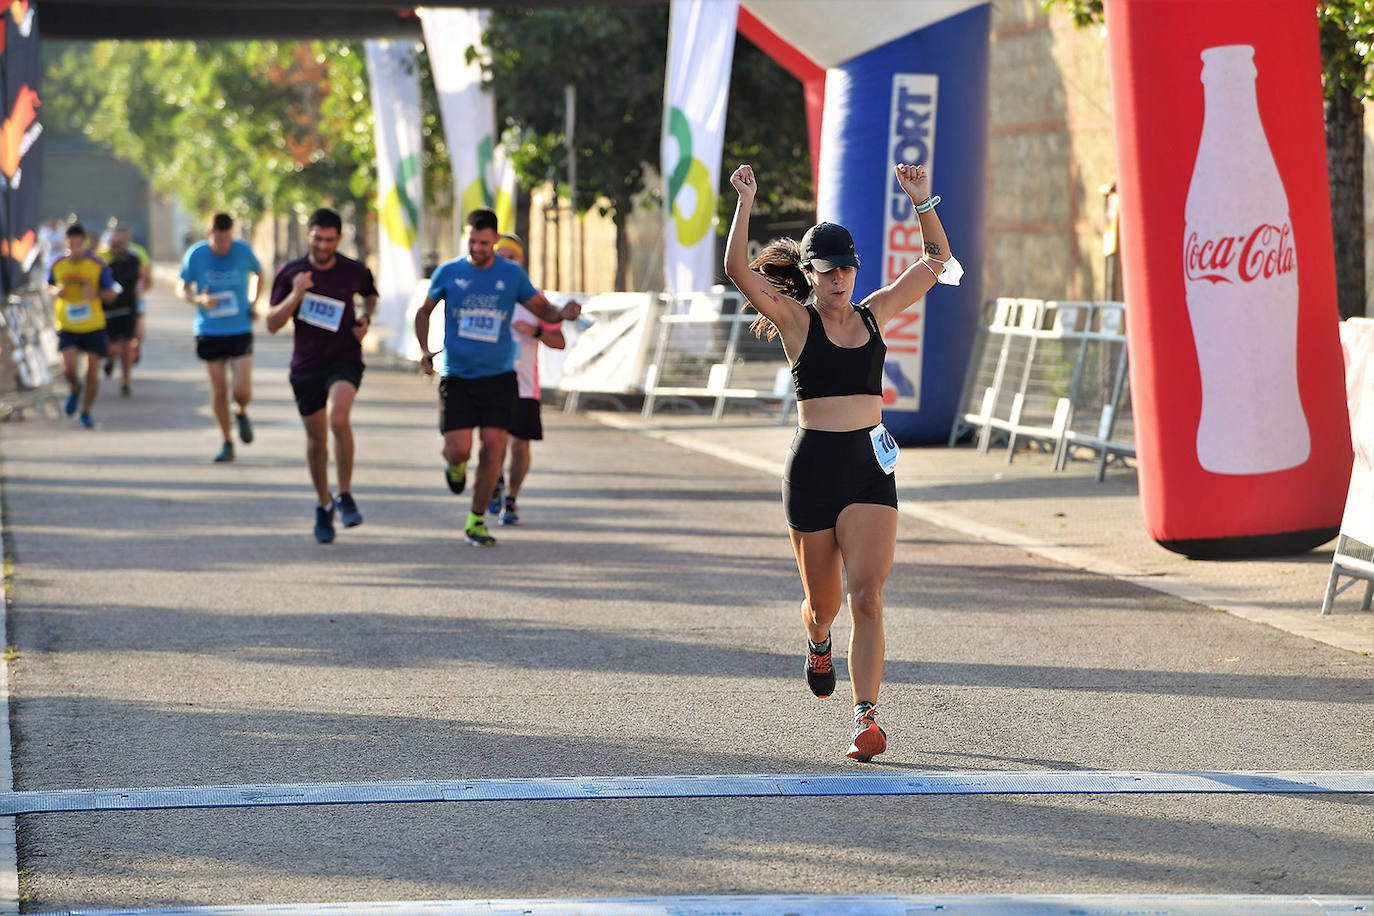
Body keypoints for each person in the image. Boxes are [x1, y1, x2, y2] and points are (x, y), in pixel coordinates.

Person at [723, 161, 961, 763]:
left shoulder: (876, 313)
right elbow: (735, 271)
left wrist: (921, 199)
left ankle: (866, 717)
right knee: (825, 605)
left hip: (867, 468)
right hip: (813, 472)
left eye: (848, 268)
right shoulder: (795, 321)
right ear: (808, 274)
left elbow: (936, 259)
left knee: (869, 596)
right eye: (828, 271)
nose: (841, 280)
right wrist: (745, 201)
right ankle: (818, 639)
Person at [413, 208, 580, 548]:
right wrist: (424, 350)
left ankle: (476, 521)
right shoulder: (449, 272)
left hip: (499, 378)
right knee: (459, 449)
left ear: (495, 240)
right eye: (472, 241)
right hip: (458, 377)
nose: (478, 248)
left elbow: (541, 309)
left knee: (493, 450)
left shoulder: (511, 276)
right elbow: (424, 311)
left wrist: (561, 313)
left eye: (484, 243)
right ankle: (456, 467)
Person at [266, 207, 378, 545]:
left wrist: (364, 317)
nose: (324, 245)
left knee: (339, 419)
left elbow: (370, 296)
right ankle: (323, 503)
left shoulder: (353, 271)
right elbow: (271, 324)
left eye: (330, 239)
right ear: (309, 235)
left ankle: (344, 495)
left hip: (344, 357)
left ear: (339, 238)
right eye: (318, 238)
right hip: (306, 366)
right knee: (316, 441)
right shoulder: (291, 272)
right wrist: (297, 294)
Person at [486, 232, 567, 526]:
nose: (507, 262)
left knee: (520, 445)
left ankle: (511, 498)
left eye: (513, 257)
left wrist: (534, 331)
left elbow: (559, 340)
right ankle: (494, 482)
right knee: (494, 442)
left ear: (521, 261)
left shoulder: (534, 298)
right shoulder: (485, 294)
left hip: (525, 386)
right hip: (490, 381)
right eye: (501, 256)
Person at [177, 213, 264, 463]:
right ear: (209, 234)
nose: (224, 246)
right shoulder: (196, 254)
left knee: (241, 389)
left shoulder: (243, 250)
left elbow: (260, 273)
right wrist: (198, 300)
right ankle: (227, 441)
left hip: (239, 328)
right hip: (209, 331)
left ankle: (242, 410)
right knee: (219, 390)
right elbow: (181, 287)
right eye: (219, 240)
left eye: (227, 240)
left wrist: (253, 302)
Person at [48, 223, 117, 429]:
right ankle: (75, 388)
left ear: (85, 243)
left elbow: (111, 293)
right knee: (68, 369)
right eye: (72, 244)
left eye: (79, 244)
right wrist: (55, 291)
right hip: (66, 323)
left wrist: (96, 293)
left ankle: (86, 412)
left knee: (92, 372)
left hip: (92, 324)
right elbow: (48, 285)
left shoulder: (97, 265)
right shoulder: (57, 263)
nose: (76, 249)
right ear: (66, 242)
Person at [97, 224, 152, 396]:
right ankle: (112, 358)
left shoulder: (135, 259)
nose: (119, 245)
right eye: (116, 242)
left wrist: (141, 288)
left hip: (129, 307)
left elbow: (147, 280)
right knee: (112, 347)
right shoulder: (102, 258)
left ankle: (125, 381)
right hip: (107, 308)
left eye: (123, 241)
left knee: (128, 344)